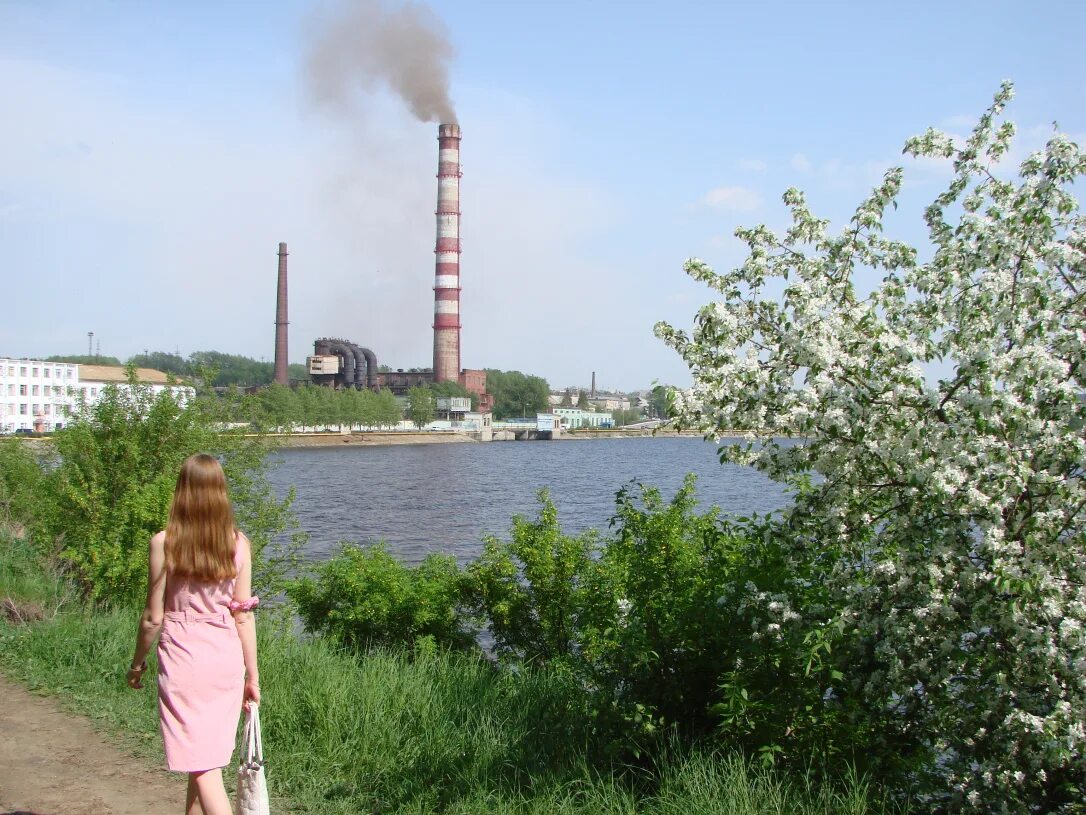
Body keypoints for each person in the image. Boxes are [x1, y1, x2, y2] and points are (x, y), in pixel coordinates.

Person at [127, 453, 261, 815]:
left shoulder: (164, 542)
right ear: (221, 492)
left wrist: (137, 664)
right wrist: (253, 675)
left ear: (181, 491)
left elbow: (153, 618)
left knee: (203, 766)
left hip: (183, 659)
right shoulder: (238, 544)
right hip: (224, 658)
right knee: (203, 759)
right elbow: (243, 617)